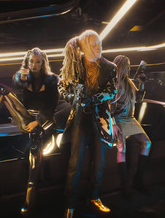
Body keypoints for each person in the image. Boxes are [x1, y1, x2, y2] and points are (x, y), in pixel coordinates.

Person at [0, 47, 59, 217]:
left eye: (38, 62)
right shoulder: (24, 76)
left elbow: (51, 107)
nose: (34, 65)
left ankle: (30, 202)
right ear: (27, 62)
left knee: (34, 163)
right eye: (31, 61)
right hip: (25, 115)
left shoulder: (52, 80)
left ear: (43, 63)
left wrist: (38, 121)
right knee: (2, 92)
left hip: (43, 121)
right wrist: (22, 76)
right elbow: (17, 83)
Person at [58, 30, 117, 218]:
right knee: (75, 163)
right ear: (84, 47)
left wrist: (94, 98)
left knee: (99, 163)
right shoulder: (75, 65)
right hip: (80, 119)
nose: (98, 47)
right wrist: (73, 97)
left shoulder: (110, 67)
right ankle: (70, 203)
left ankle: (94, 198)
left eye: (99, 43)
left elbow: (112, 91)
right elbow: (62, 87)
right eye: (94, 44)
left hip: (101, 119)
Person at [111, 55, 152, 197]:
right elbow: (108, 106)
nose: (128, 68)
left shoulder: (128, 82)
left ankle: (139, 180)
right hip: (118, 119)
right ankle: (126, 186)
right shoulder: (113, 83)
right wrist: (113, 123)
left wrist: (142, 83)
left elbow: (139, 99)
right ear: (119, 66)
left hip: (130, 118)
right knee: (121, 148)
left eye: (129, 65)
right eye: (126, 65)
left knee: (146, 143)